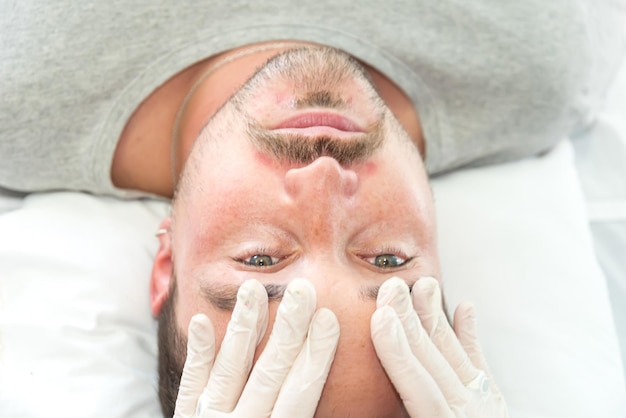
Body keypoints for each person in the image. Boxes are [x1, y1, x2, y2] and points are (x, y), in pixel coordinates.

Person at [1, 1, 619, 417]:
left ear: (165, 262)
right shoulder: (533, 67)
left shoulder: (17, 93)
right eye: (385, 258)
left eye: (261, 258)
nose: (325, 175)